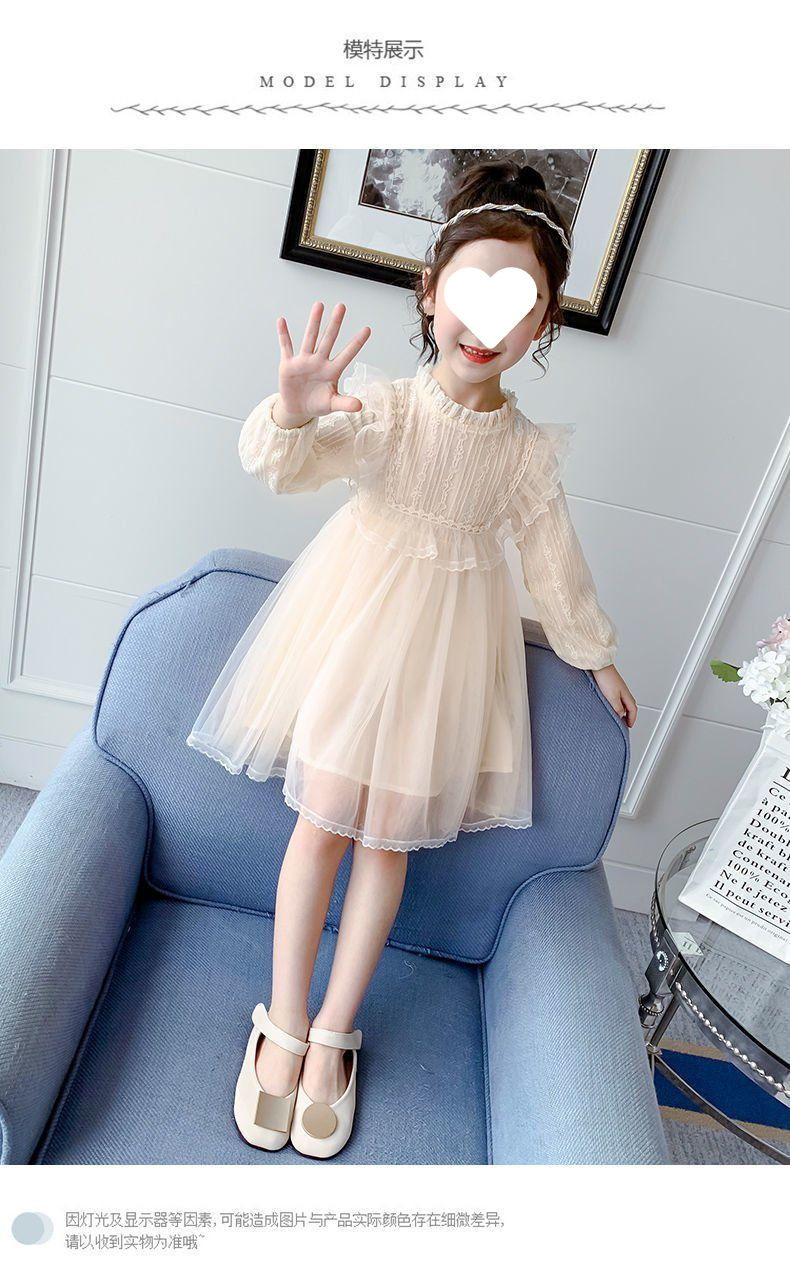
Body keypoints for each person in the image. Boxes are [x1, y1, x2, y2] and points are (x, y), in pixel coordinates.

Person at [186, 159, 637, 1160]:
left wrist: (595, 656)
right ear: (431, 293)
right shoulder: (386, 410)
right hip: (352, 642)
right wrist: (293, 411)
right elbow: (287, 467)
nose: (485, 321)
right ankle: (283, 1022)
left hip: (446, 668)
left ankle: (333, 1034)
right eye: (470, 289)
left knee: (385, 845)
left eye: (515, 300)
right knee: (318, 829)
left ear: (542, 321)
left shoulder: (526, 452)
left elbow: (555, 564)